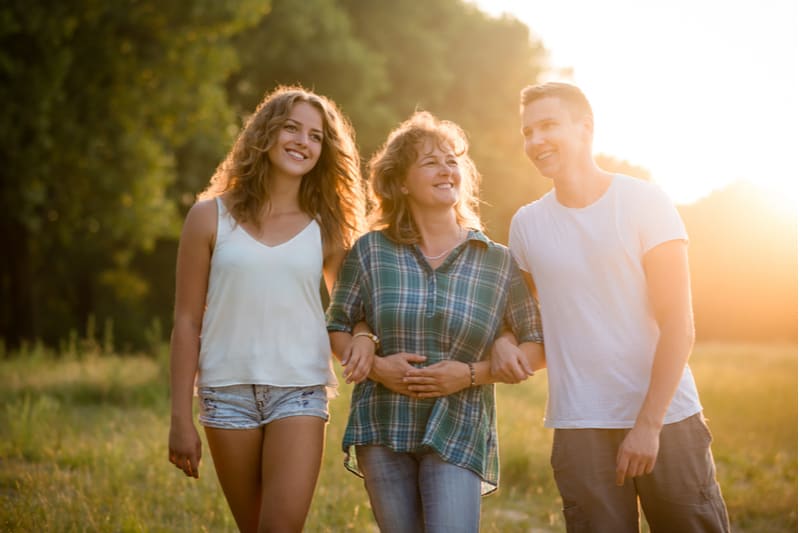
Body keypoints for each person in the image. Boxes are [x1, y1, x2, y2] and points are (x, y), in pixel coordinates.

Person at [492, 81, 730, 532]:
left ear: (585, 128)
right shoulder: (527, 224)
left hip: (667, 419)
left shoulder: (644, 201)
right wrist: (504, 340)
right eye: (527, 132)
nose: (536, 141)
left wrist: (648, 426)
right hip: (579, 425)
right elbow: (524, 320)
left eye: (548, 126)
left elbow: (678, 324)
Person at [326, 111, 546, 533]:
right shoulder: (370, 251)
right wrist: (376, 364)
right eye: (431, 162)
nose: (446, 170)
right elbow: (338, 324)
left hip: (458, 425)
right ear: (401, 183)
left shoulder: (496, 261)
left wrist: (471, 373)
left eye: (452, 161)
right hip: (384, 424)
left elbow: (535, 345)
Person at [167, 85, 368, 533]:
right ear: (266, 133)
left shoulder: (327, 227)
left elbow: (348, 311)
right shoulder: (208, 217)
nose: (303, 142)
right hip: (226, 393)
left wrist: (363, 337)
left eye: (316, 136)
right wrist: (180, 418)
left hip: (300, 390)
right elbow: (186, 320)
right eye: (292, 128)